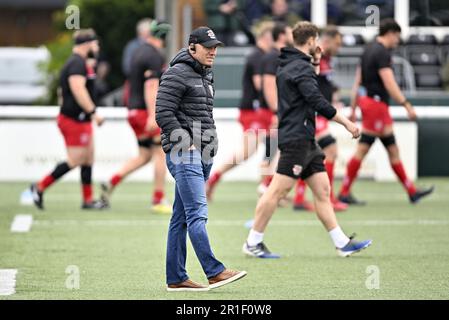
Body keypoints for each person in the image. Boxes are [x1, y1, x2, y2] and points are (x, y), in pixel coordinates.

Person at [242, 21, 372, 259]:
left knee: (322, 190)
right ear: (312, 41)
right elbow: (316, 100)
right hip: (297, 138)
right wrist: (347, 122)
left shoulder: (290, 64)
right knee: (276, 192)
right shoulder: (299, 68)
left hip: (305, 139)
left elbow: (304, 89)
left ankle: (341, 242)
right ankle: (253, 242)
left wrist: (314, 62)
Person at [156, 27, 247, 291]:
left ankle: (176, 278)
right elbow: (163, 114)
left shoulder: (205, 74)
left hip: (203, 155)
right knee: (197, 214)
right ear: (192, 47)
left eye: (215, 47)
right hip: (185, 154)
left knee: (181, 218)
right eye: (208, 47)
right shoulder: (175, 73)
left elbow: (201, 116)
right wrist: (188, 146)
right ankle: (214, 271)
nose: (213, 51)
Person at [338, 19, 434, 205]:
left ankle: (411, 191)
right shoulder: (382, 52)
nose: (397, 41)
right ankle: (344, 192)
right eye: (397, 37)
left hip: (370, 104)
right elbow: (389, 83)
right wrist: (406, 104)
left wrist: (354, 106)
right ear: (390, 33)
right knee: (363, 149)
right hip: (376, 106)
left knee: (392, 149)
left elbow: (357, 81)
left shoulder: (368, 49)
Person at [29, 29, 107, 210]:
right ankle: (39, 187)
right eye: (94, 44)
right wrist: (94, 112)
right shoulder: (76, 64)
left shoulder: (83, 63)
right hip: (74, 120)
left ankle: (87, 200)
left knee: (88, 158)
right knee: (76, 159)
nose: (97, 47)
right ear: (87, 44)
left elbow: (62, 93)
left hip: (82, 119)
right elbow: (78, 90)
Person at [101, 20, 172, 214]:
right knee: (160, 153)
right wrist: (153, 115)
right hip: (144, 111)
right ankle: (158, 200)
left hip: (132, 111)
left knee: (144, 155)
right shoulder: (154, 55)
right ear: (164, 37)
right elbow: (151, 86)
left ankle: (112, 181)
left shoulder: (138, 51)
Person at [206, 21, 274, 200]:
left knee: (272, 146)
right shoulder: (258, 56)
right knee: (248, 151)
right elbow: (261, 85)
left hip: (259, 110)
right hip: (253, 111)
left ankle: (266, 186)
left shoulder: (262, 56)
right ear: (265, 37)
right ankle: (213, 178)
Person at [293, 26, 348, 212]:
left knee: (309, 153)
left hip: (315, 112)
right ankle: (325, 198)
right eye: (337, 43)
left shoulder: (324, 58)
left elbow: (323, 84)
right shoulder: (312, 57)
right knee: (327, 150)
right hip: (311, 112)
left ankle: (301, 197)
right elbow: (310, 85)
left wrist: (334, 96)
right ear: (328, 40)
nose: (339, 48)